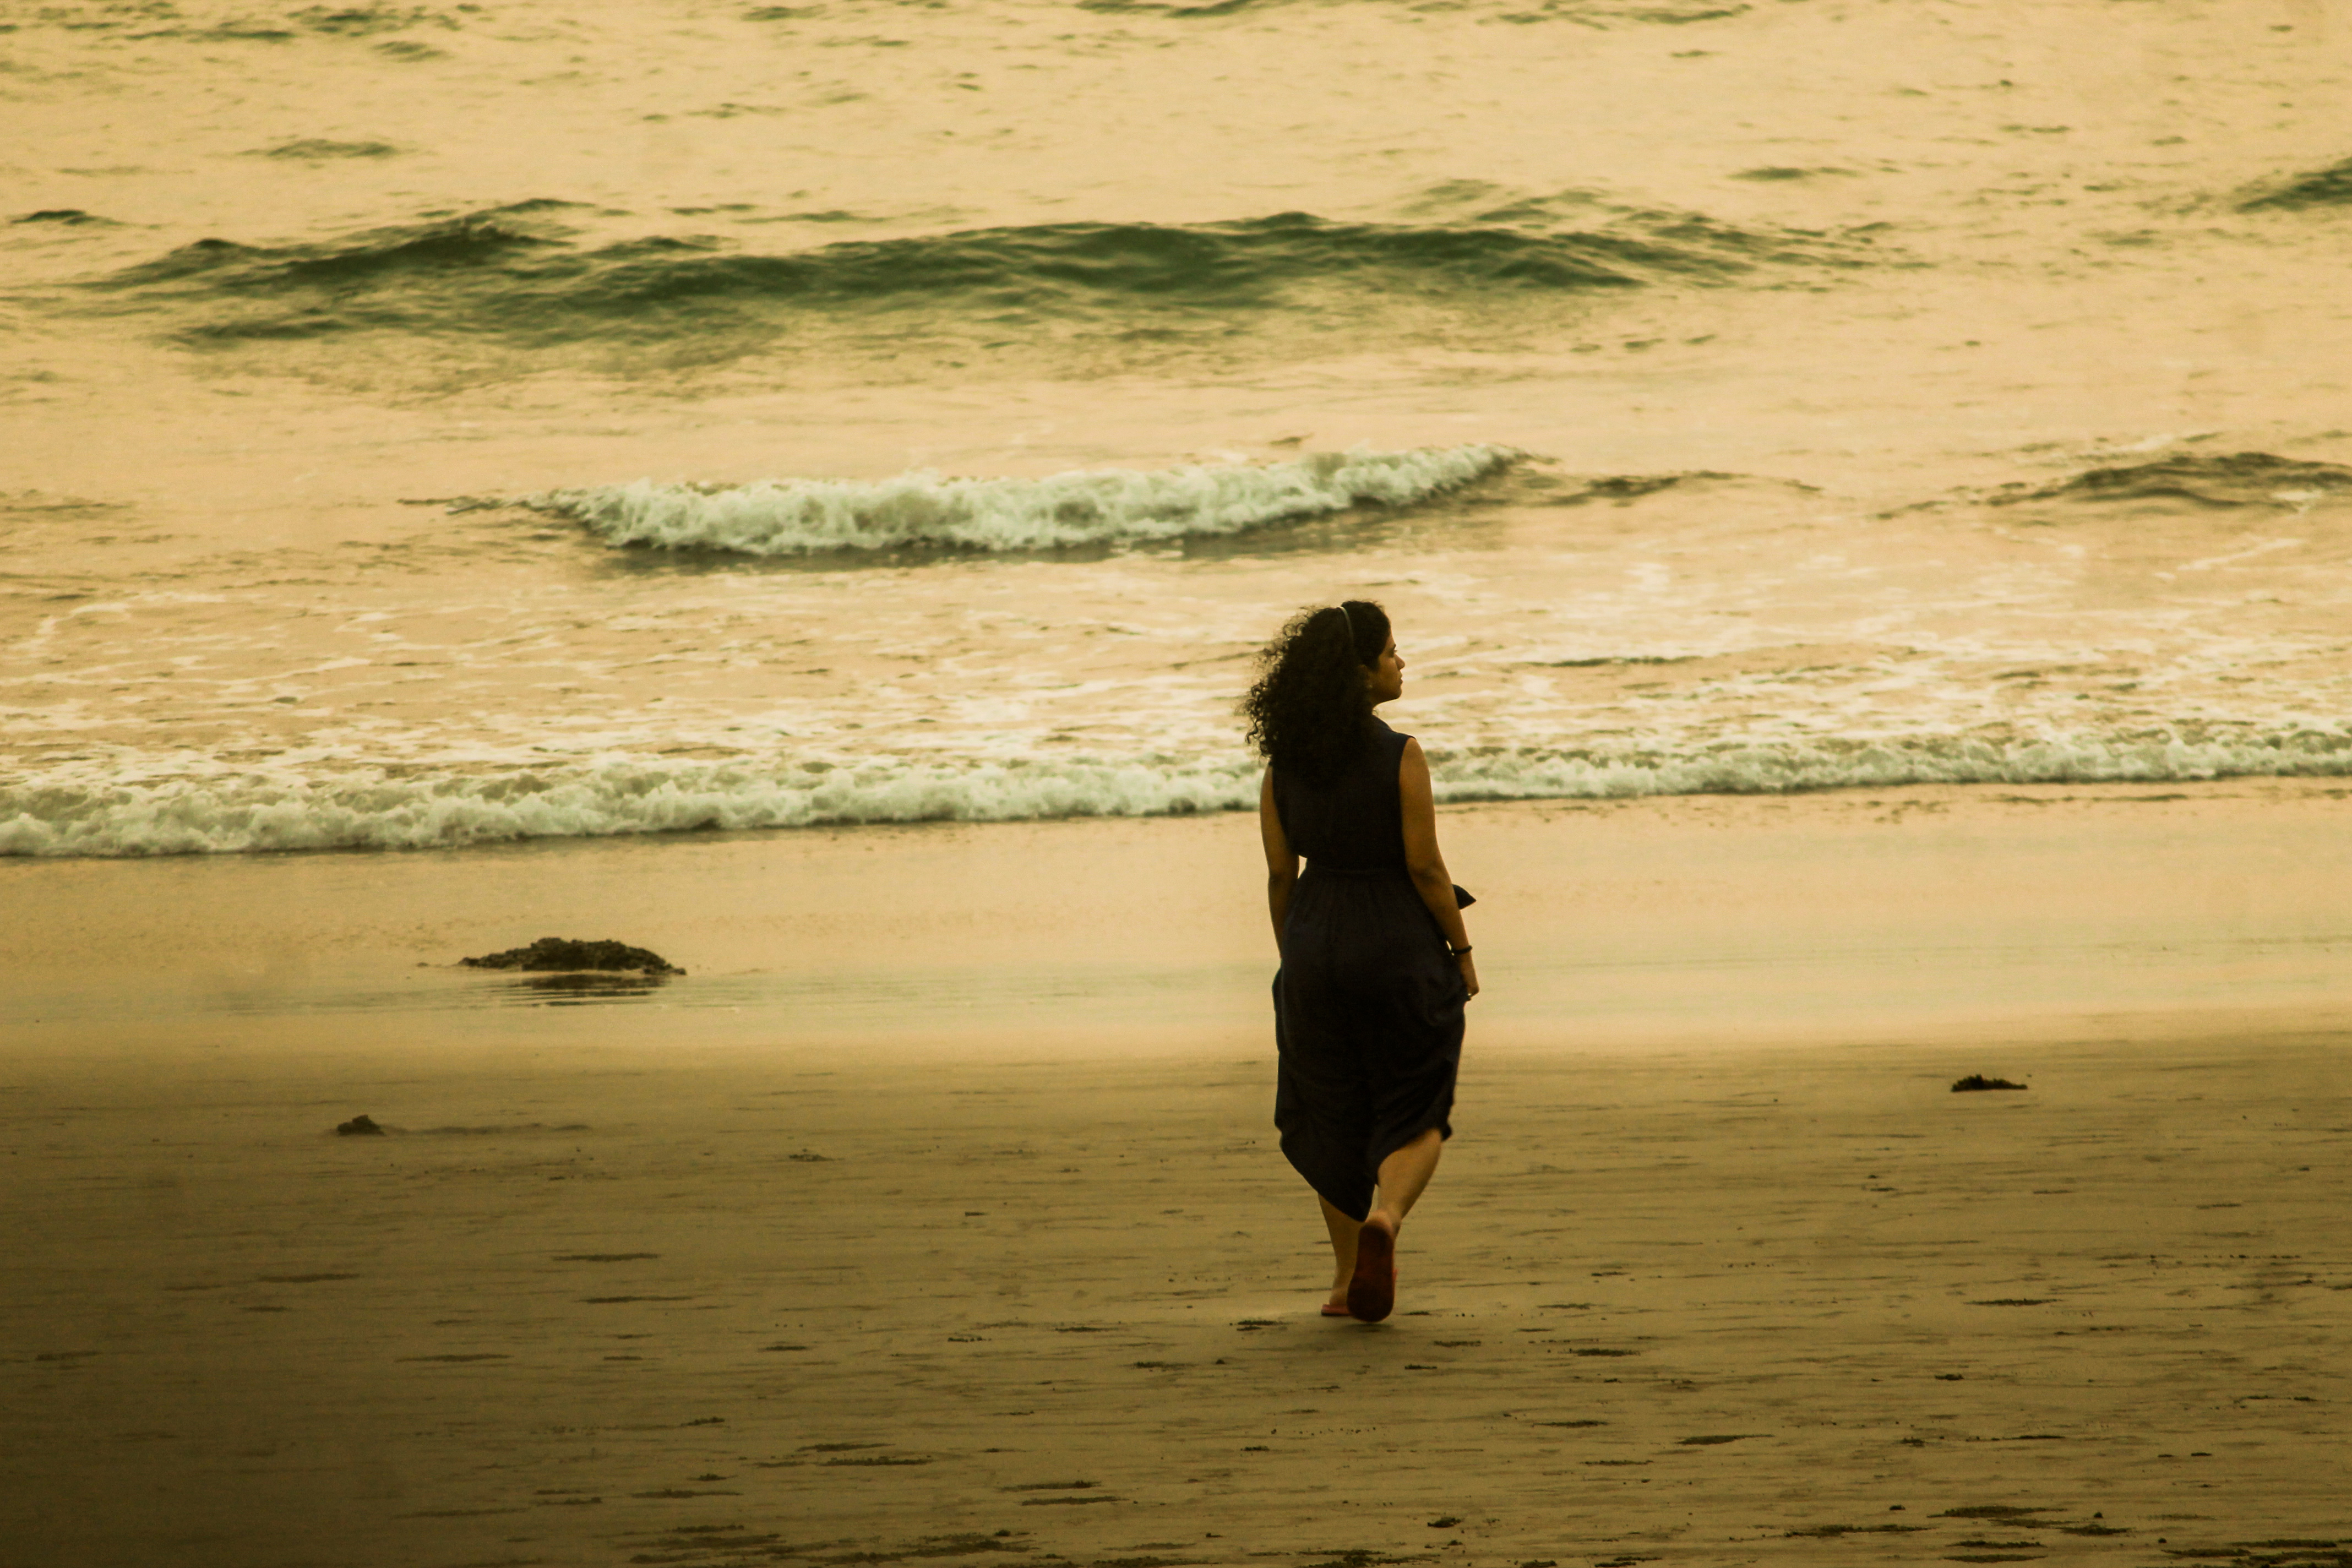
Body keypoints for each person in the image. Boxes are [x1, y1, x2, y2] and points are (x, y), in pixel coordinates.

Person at [1241, 600, 1477, 1323]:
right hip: (1395, 941)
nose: (1401, 663)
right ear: (1361, 672)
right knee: (1417, 1100)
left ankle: (1346, 1282)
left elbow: (1280, 875)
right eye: (1392, 652)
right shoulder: (1400, 754)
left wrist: (1295, 958)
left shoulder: (1283, 766)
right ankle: (1388, 1218)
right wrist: (1462, 951)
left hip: (1313, 942)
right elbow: (1426, 869)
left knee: (1330, 1110)